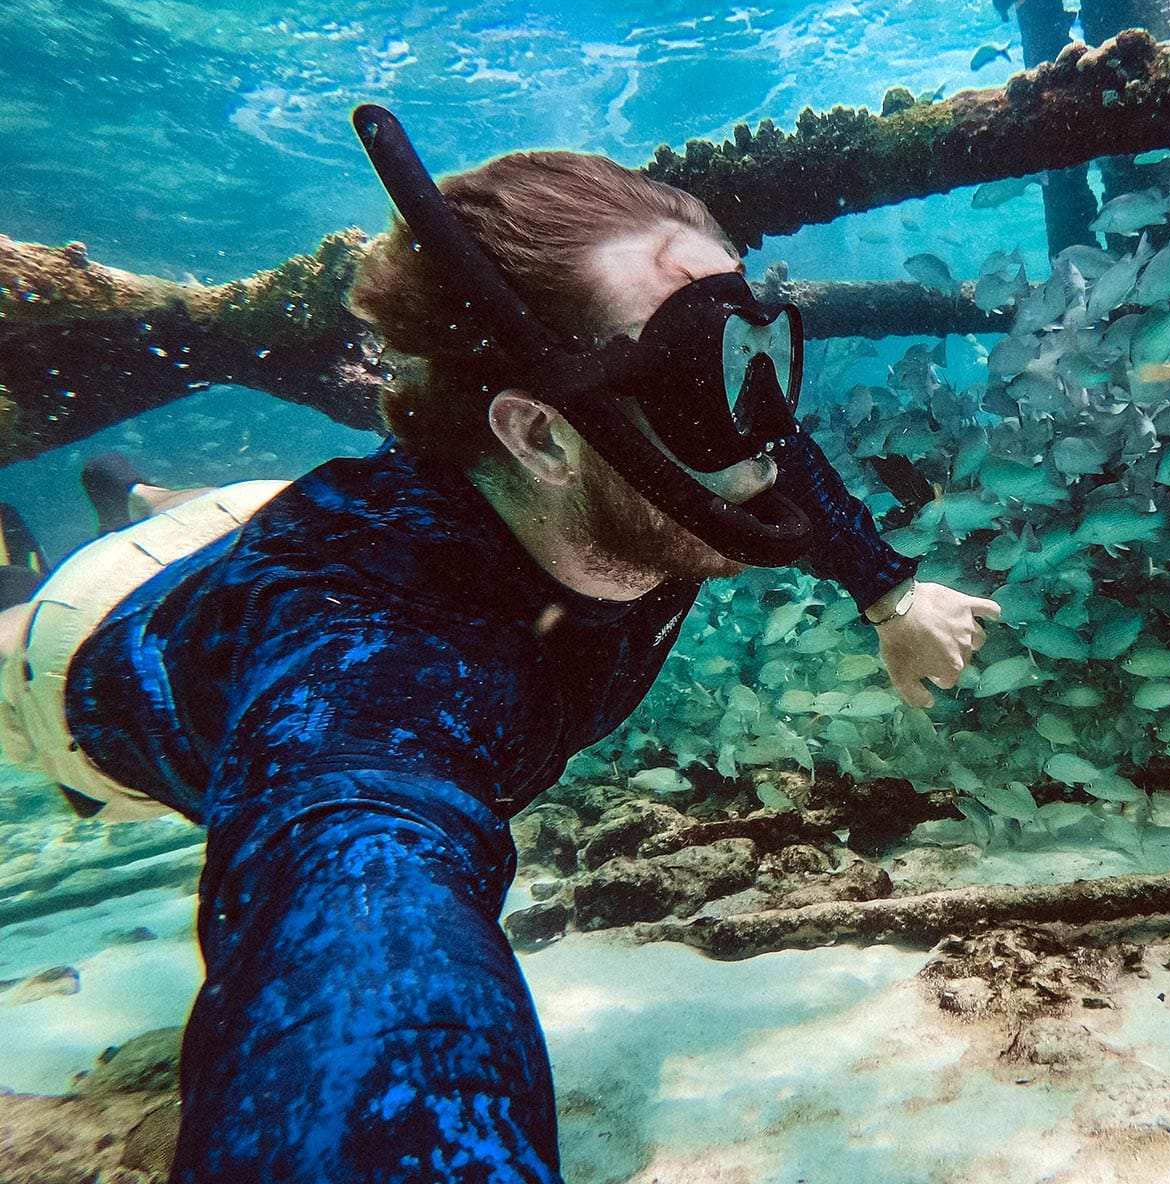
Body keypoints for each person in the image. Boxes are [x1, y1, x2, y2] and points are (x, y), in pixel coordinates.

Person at [0, 106, 999, 1183]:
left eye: (765, 349)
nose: (764, 416)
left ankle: (143, 498)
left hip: (268, 519)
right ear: (538, 433)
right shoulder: (367, 673)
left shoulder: (654, 455)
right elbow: (360, 916)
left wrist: (890, 595)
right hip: (78, 647)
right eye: (711, 371)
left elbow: (772, 446)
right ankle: (90, 537)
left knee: (223, 532)